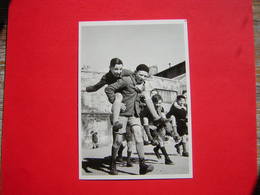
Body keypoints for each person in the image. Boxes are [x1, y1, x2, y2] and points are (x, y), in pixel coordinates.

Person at [105, 64, 154, 175]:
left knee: (138, 135)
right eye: (140, 74)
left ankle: (142, 165)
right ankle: (113, 164)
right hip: (122, 114)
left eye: (145, 76)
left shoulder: (143, 85)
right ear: (135, 72)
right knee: (118, 141)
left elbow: (138, 99)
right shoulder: (126, 80)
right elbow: (109, 89)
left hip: (134, 115)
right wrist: (116, 101)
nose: (142, 77)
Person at [141, 94, 174, 165]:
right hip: (151, 126)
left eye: (160, 103)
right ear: (152, 102)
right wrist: (149, 136)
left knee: (162, 141)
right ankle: (167, 159)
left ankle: (156, 149)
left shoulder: (160, 108)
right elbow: (144, 120)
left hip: (159, 125)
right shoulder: (147, 109)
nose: (159, 105)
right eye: (157, 103)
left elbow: (163, 117)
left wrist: (167, 123)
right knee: (160, 141)